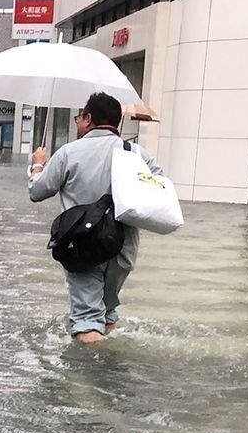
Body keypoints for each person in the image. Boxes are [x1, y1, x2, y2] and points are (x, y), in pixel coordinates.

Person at [29, 91, 166, 344]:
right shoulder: (137, 154)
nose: (78, 122)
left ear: (88, 118)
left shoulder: (69, 152)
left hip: (82, 244)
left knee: (87, 317)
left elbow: (37, 192)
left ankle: (92, 376)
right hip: (123, 246)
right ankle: (105, 355)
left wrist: (38, 165)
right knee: (107, 310)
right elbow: (159, 189)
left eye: (78, 117)